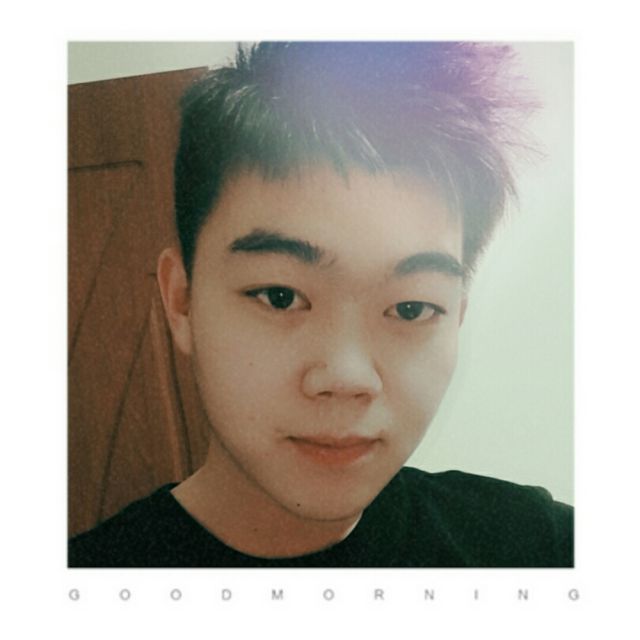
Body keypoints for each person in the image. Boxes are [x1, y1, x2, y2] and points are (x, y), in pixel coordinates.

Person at [68, 42, 573, 568]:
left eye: (411, 308)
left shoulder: (537, 543)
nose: (347, 377)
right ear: (181, 302)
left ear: (457, 317)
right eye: (281, 296)